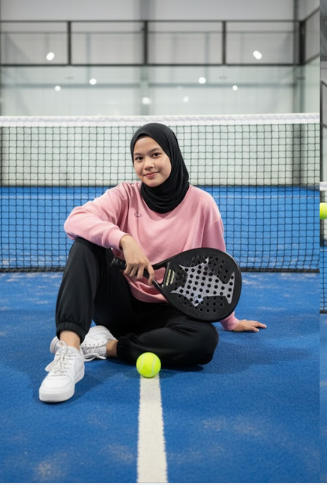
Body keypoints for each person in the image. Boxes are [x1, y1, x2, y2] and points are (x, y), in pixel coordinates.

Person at [40, 123, 265, 403]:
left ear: (172, 154)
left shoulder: (202, 204)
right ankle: (70, 352)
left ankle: (104, 347)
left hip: (171, 312)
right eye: (139, 158)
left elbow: (215, 269)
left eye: (155, 154)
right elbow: (74, 219)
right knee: (85, 245)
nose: (147, 164)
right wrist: (123, 239)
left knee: (204, 341)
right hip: (119, 306)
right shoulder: (126, 195)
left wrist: (229, 321)